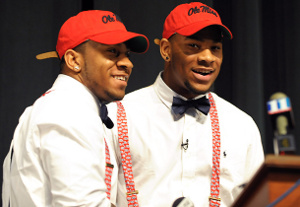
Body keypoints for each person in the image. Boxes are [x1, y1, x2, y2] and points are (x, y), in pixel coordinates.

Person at [105, 2, 264, 207]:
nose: (207, 58)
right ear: (166, 49)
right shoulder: (118, 117)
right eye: (194, 46)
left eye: (215, 48)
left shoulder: (242, 125)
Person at [2, 10, 149, 207]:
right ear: (74, 61)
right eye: (112, 52)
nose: (127, 64)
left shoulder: (56, 105)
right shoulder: (68, 111)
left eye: (127, 55)